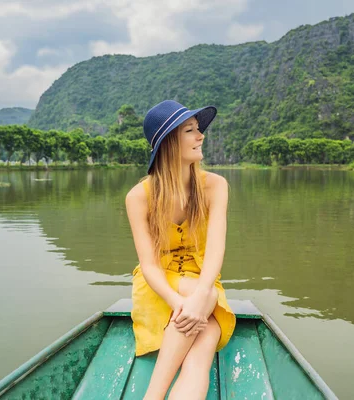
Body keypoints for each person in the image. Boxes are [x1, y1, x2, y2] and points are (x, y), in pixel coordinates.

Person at [125, 100, 236, 399]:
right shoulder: (139, 197)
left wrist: (201, 293)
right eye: (190, 130)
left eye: (198, 129)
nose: (200, 136)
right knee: (207, 312)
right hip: (160, 285)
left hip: (201, 279)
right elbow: (148, 265)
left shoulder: (215, 186)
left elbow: (215, 249)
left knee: (207, 337)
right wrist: (181, 301)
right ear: (168, 143)